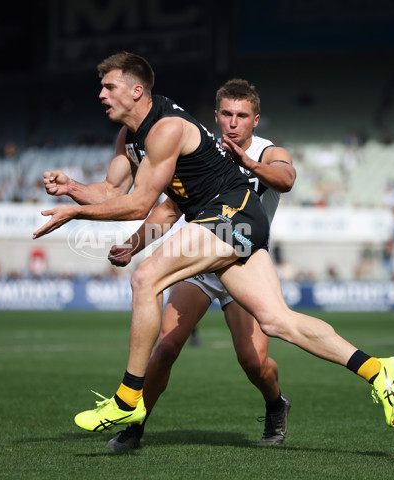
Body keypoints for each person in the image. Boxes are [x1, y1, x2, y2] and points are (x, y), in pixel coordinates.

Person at [33, 51, 394, 435]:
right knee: (277, 321)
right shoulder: (131, 138)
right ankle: (378, 368)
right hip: (220, 230)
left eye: (109, 87)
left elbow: (142, 204)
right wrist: (72, 190)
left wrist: (75, 215)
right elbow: (116, 191)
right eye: (226, 114)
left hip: (232, 218)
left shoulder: (170, 129)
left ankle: (128, 400)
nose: (101, 94)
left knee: (147, 280)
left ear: (136, 90)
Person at [105, 79, 295, 450]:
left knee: (254, 363)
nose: (233, 122)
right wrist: (133, 244)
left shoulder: (269, 152)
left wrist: (250, 164)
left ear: (256, 120)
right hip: (201, 264)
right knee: (168, 346)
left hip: (243, 262)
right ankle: (134, 424)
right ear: (216, 115)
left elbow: (286, 180)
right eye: (226, 114)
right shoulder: (202, 147)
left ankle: (275, 403)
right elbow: (171, 207)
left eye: (242, 115)